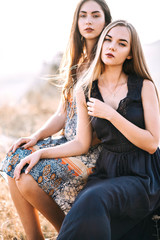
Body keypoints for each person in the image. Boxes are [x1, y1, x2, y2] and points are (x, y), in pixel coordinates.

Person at [0, 0, 111, 239]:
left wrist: (43, 151)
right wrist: (36, 136)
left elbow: (90, 137)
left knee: (28, 179)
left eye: (95, 15)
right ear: (77, 22)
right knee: (13, 161)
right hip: (66, 141)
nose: (89, 21)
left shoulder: (108, 62)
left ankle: (68, 233)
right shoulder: (76, 62)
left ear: (106, 21)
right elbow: (62, 113)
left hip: (90, 150)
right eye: (83, 16)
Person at [57, 20, 160, 240]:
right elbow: (82, 143)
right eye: (108, 40)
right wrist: (40, 152)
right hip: (108, 171)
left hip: (142, 174)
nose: (112, 46)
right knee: (85, 204)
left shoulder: (144, 86)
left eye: (122, 44)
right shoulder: (85, 89)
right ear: (101, 44)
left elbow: (152, 144)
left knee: (94, 198)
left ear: (130, 54)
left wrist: (111, 115)